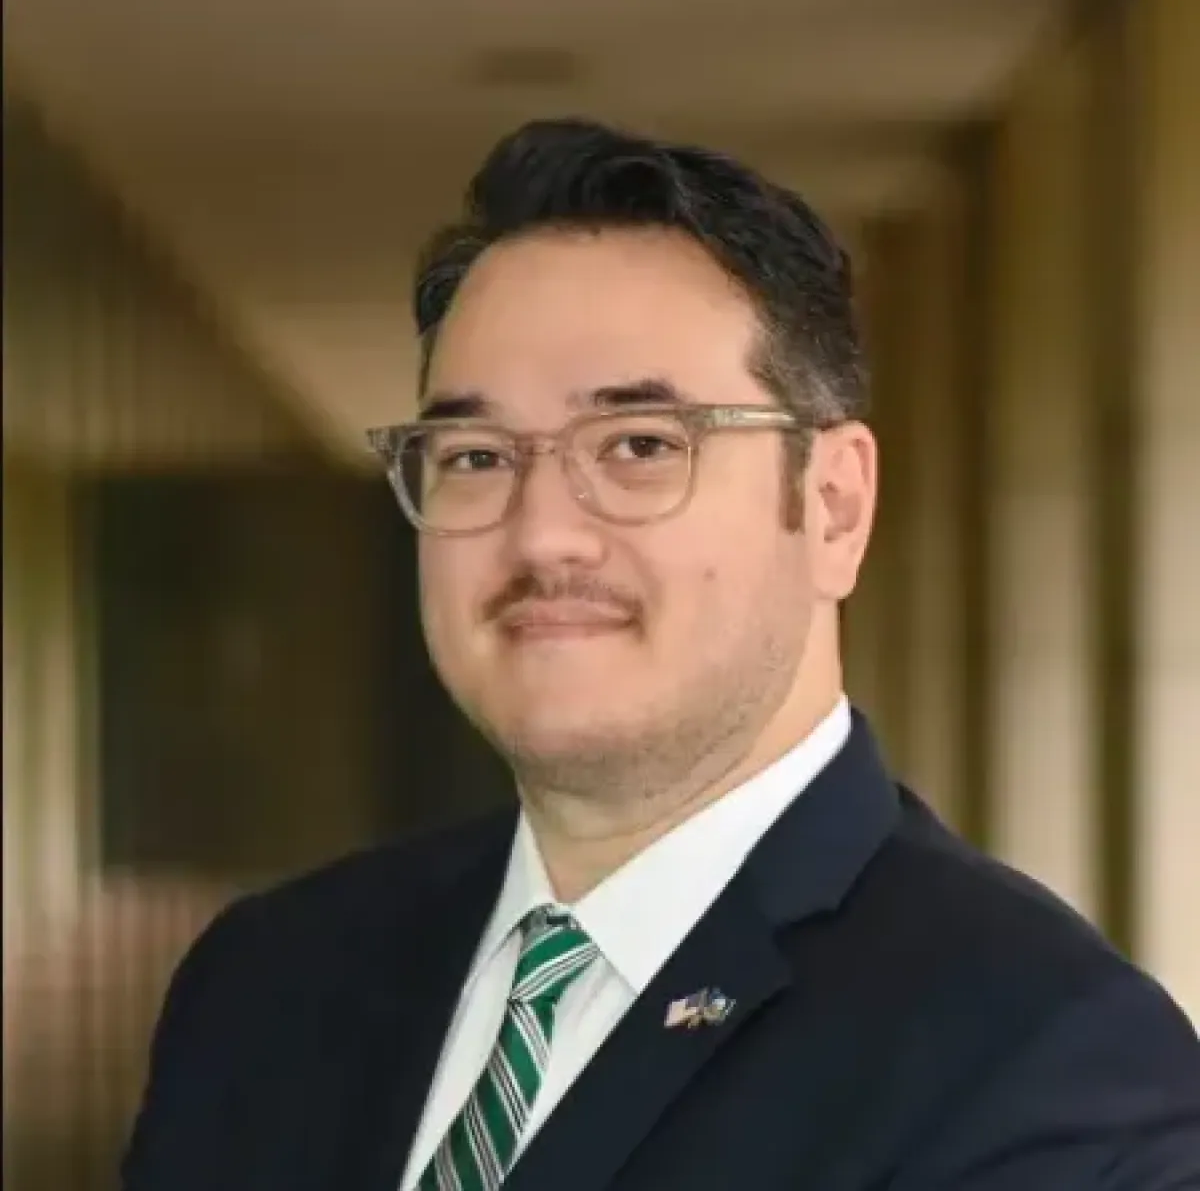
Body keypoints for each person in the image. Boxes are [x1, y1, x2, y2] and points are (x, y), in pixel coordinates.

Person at [122, 118, 1200, 1191]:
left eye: (640, 446)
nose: (542, 535)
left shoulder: (1042, 1063)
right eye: (476, 455)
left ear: (832, 507)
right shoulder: (268, 979)